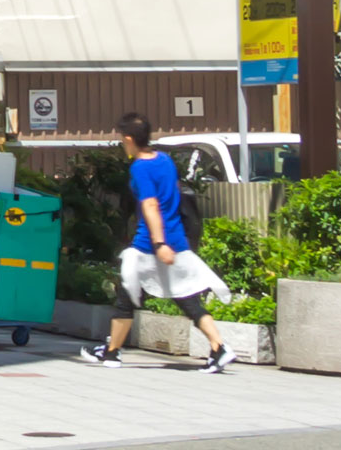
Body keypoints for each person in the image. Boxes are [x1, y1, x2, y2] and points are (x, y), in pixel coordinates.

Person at [80, 113, 235, 373]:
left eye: (122, 139)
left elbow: (151, 205)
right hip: (177, 237)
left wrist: (159, 243)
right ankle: (219, 347)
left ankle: (112, 353)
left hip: (149, 244)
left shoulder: (140, 167)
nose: (122, 144)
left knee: (126, 296)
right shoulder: (164, 160)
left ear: (129, 139)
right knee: (186, 297)